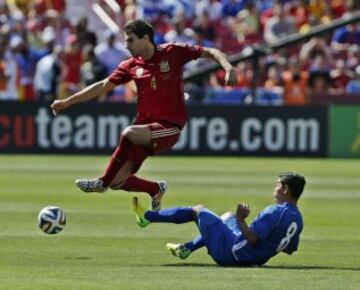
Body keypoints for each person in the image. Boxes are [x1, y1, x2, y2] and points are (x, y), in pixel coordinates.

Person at [50, 19, 237, 211]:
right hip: (144, 129)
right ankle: (155, 189)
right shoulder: (130, 65)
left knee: (128, 134)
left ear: (146, 38)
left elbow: (211, 52)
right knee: (118, 181)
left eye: (130, 40)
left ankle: (101, 183)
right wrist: (67, 102)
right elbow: (102, 86)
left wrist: (228, 68)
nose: (126, 45)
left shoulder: (172, 52)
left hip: (169, 127)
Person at [132, 172, 305, 266]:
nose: (275, 188)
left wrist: (241, 218)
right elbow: (289, 249)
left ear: (286, 189)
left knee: (198, 210)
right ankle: (187, 248)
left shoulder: (274, 210)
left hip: (232, 252)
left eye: (278, 184)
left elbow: (252, 239)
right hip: (254, 259)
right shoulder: (297, 218)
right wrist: (265, 247)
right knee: (226, 217)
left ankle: (148, 217)